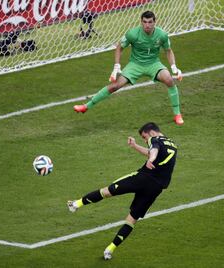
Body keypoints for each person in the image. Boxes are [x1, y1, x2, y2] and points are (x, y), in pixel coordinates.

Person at [67, 122, 178, 260]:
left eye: (144, 137)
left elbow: (153, 150)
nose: (145, 140)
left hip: (142, 178)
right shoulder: (172, 144)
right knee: (132, 219)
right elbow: (152, 151)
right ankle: (110, 249)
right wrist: (135, 146)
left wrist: (152, 159)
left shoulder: (154, 139)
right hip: (155, 188)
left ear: (152, 132)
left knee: (108, 191)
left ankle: (76, 204)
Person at [73, 11, 184, 125]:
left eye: (150, 22)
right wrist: (116, 66)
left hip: (153, 64)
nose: (147, 25)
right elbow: (119, 47)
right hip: (135, 65)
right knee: (115, 85)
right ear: (141, 22)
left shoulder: (162, 35)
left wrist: (174, 67)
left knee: (169, 80)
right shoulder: (133, 34)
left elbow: (168, 51)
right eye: (144, 22)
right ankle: (86, 106)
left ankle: (177, 114)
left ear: (155, 22)